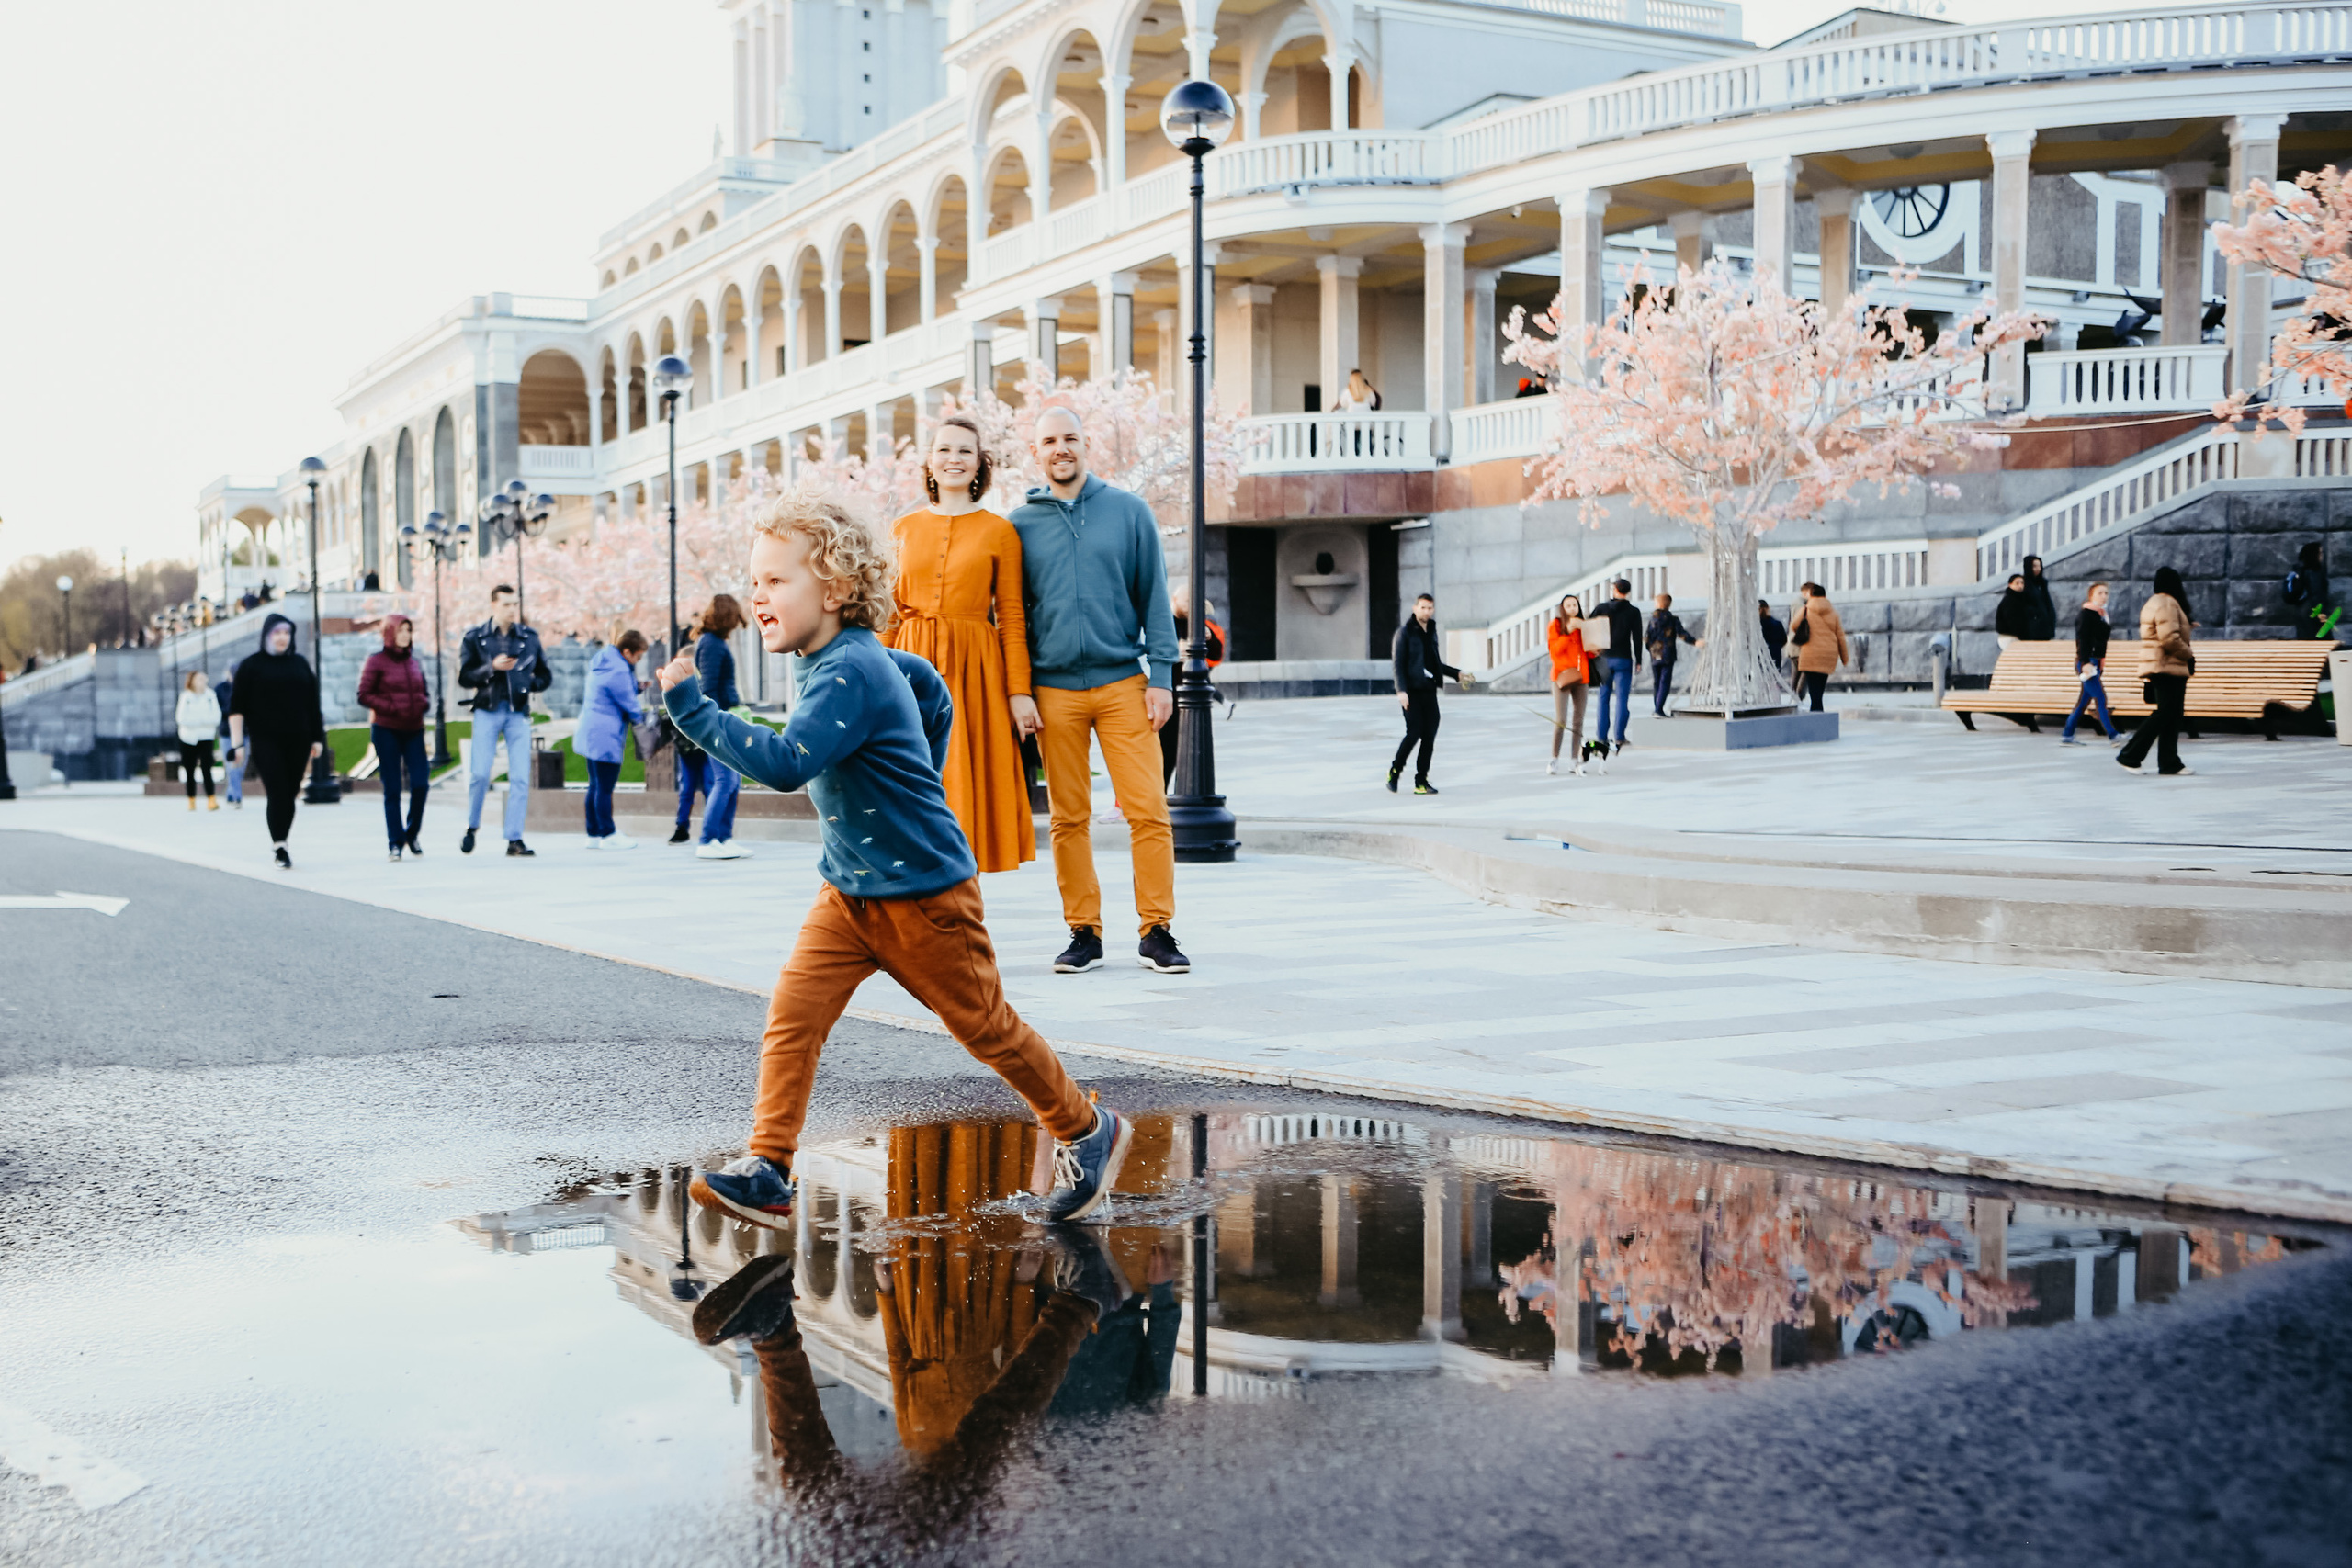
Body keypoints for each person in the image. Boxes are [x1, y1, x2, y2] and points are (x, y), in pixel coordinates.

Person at [656, 489, 1134, 1230]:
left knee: (987, 1029)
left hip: (925, 896)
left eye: (778, 579)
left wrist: (694, 709)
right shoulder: (851, 660)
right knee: (792, 1019)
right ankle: (770, 1167)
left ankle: (1084, 1127)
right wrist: (917, 773)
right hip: (847, 894)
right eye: (756, 580)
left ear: (838, 588)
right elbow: (931, 691)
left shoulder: (850, 670)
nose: (759, 594)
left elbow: (786, 762)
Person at [1011, 405, 1189, 977]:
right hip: (1053, 690)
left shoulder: (1128, 512)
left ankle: (1156, 930)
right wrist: (1021, 691)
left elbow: (1154, 598)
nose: (1060, 448)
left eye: (1070, 438)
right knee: (1068, 818)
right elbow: (1011, 617)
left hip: (1122, 684)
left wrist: (1162, 676)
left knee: (1149, 810)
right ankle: (1083, 932)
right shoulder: (1019, 526)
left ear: (1086, 445)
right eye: (1049, 441)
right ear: (1035, 453)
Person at [886, 414, 1035, 873]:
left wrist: (1019, 692)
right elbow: (888, 613)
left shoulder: (1000, 531)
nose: (954, 458)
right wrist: (868, 679)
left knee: (965, 777)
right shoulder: (901, 529)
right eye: (944, 449)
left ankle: (961, 889)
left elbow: (1011, 617)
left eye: (965, 451)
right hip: (909, 664)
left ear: (980, 464)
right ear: (929, 462)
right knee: (910, 774)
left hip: (977, 670)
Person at [225, 612, 324, 869]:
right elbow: (237, 709)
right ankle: (279, 845)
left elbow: (313, 705)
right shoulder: (251, 666)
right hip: (266, 740)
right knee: (277, 790)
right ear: (267, 635)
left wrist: (317, 738)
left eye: (287, 633)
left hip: (299, 739)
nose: (282, 638)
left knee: (290, 793)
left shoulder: (300, 664)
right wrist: (237, 745)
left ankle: (283, 839)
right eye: (277, 633)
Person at [457, 583, 549, 858]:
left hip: (518, 712)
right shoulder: (475, 637)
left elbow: (546, 675)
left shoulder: (528, 638)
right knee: (480, 773)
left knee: (521, 777)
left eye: (514, 604)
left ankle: (514, 839)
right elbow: (465, 675)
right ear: (494, 605)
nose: (512, 609)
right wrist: (491, 668)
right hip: (487, 709)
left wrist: (529, 682)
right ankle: (472, 826)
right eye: (506, 604)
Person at [357, 614, 432, 861]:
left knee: (421, 783)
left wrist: (423, 703)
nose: (405, 635)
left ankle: (411, 833)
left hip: (414, 730)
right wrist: (390, 707)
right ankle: (395, 842)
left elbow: (424, 690)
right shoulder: (376, 661)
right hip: (386, 729)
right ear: (390, 633)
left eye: (408, 630)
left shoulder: (414, 662)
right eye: (401, 630)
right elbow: (364, 695)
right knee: (393, 788)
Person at [685, 594, 752, 861]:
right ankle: (707, 839)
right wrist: (716, 721)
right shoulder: (712, 645)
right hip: (717, 721)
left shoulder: (713, 643)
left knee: (732, 781)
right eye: (734, 618)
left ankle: (723, 837)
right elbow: (709, 687)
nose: (737, 624)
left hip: (723, 718)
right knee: (725, 780)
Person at [1388, 593, 1471, 794]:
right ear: (1415, 608)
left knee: (1429, 737)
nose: (1427, 611)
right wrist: (1401, 690)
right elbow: (1397, 664)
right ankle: (1395, 770)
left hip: (1429, 691)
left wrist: (1456, 674)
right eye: (1423, 607)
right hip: (1411, 692)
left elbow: (1435, 663)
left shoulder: (1432, 631)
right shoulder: (1404, 633)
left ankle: (1421, 781)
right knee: (1413, 733)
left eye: (1430, 608)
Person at [2119, 566, 2196, 777]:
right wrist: (2188, 654)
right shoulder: (2168, 602)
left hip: (2161, 664)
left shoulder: (2154, 602)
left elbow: (2164, 631)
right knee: (2166, 713)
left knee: (2171, 715)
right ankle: (2130, 755)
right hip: (2167, 664)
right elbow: (2169, 638)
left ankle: (2169, 762)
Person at [578, 630, 648, 850]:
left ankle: (593, 833)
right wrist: (644, 720)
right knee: (605, 787)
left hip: (591, 729)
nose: (638, 661)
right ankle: (608, 834)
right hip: (606, 733)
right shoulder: (618, 670)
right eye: (637, 657)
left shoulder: (604, 662)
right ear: (626, 652)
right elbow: (629, 704)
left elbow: (612, 692)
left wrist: (635, 687)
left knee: (595, 785)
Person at [1159, 583, 1225, 786]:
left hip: (1193, 700)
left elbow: (1216, 653)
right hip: (1167, 696)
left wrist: (1208, 637)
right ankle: (1158, 796)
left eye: (1194, 601)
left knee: (1192, 751)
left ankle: (1184, 792)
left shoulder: (1197, 623)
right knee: (1165, 751)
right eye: (1187, 601)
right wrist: (1173, 654)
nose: (1191, 606)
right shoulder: (1163, 622)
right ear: (1174, 600)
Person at [2060, 581, 2120, 746]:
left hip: (2096, 662)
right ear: (2091, 596)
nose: (2104, 596)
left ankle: (2067, 735)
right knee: (2100, 698)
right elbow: (2083, 640)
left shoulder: (2101, 614)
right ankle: (2113, 735)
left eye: (2106, 593)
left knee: (2083, 702)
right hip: (2088, 662)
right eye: (2100, 593)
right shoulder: (2087, 614)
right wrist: (2085, 662)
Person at [1590, 579, 1643, 754]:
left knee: (1603, 698)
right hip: (1623, 658)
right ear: (1627, 592)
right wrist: (1639, 659)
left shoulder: (1602, 608)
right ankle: (1619, 735)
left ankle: (1601, 736)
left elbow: (1588, 627)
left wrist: (1593, 649)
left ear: (1615, 590)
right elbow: (1636, 637)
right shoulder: (1633, 611)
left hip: (1604, 657)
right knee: (1622, 699)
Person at [1544, 593, 1590, 776]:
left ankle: (1574, 759)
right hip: (1561, 676)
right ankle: (1554, 758)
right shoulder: (1556, 625)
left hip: (1581, 677)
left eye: (1575, 605)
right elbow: (1555, 651)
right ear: (1562, 608)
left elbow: (1589, 651)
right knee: (1561, 720)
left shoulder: (1583, 625)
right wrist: (1569, 631)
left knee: (1578, 720)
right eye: (1568, 605)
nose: (1572, 608)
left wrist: (1595, 648)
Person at [1789, 581, 1849, 712]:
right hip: (1828, 654)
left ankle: (1816, 713)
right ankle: (1818, 710)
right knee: (1820, 688)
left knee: (1813, 688)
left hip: (1810, 654)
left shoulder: (1805, 610)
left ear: (1811, 595)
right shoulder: (1834, 613)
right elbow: (1841, 637)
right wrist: (1845, 658)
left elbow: (1794, 626)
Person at [1645, 592, 1700, 717]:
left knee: (1657, 682)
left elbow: (1647, 637)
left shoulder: (1652, 619)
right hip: (1668, 653)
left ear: (1658, 604)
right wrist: (1694, 642)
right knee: (1665, 682)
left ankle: (1657, 708)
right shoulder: (1673, 619)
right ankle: (1659, 709)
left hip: (1655, 654)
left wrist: (1651, 649)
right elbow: (1682, 634)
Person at [174, 670, 220, 811]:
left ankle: (211, 798)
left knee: (207, 768)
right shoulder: (186, 696)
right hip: (188, 738)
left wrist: (198, 721)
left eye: (204, 678)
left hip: (206, 737)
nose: (202, 681)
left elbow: (216, 717)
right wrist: (202, 721)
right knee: (189, 769)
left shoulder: (210, 695)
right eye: (199, 679)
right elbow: (181, 718)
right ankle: (191, 799)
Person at [2285, 541, 2334, 638]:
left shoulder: (2300, 570)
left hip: (2302, 610)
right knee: (2322, 643)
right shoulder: (2314, 571)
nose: (2321, 556)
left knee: (2305, 641)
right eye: (2320, 553)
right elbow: (2317, 593)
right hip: (2314, 611)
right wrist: (2322, 612)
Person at [212, 669, 243, 808]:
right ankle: (237, 796)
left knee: (241, 764)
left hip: (245, 731)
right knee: (231, 763)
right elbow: (217, 709)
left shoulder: (246, 687)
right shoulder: (220, 688)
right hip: (226, 731)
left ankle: (231, 791)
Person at [2020, 555, 2059, 641]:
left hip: (2045, 627)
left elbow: (2047, 604)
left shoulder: (2042, 584)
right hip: (2032, 629)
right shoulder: (2024, 584)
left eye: (2039, 566)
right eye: (2034, 566)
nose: (2038, 569)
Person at [1994, 572, 2031, 649]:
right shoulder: (2010, 600)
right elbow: (2013, 621)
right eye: (2017, 583)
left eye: (2022, 583)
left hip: (2014, 637)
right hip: (2010, 637)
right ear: (2010, 585)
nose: (2020, 585)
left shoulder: (2019, 600)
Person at [1759, 599, 1787, 668]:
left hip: (1761, 653)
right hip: (1775, 651)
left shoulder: (1757, 626)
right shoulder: (1778, 624)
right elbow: (1784, 640)